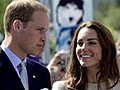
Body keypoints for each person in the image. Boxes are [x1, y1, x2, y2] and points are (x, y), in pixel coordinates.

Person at [52, 21, 120, 90]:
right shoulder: (61, 87)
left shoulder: (117, 86)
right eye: (80, 43)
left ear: (106, 48)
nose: (83, 48)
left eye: (91, 43)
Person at [0, 0, 51, 90]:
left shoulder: (41, 73)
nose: (44, 38)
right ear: (18, 26)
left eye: (45, 31)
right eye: (39, 30)